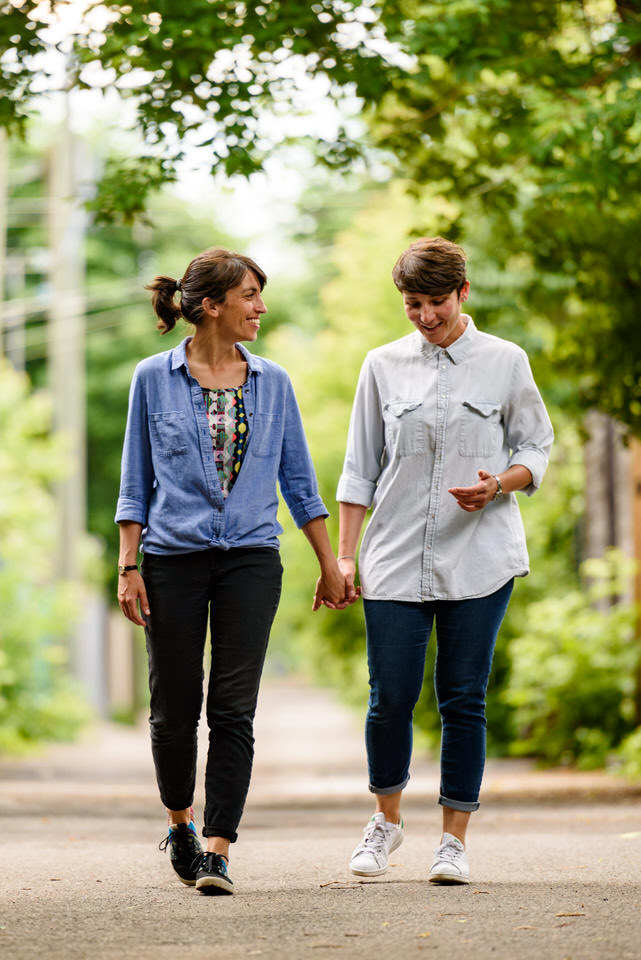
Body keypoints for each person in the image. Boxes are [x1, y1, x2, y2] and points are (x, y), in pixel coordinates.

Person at [116, 247, 351, 895]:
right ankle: (181, 825)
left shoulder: (271, 382)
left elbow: (299, 481)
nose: (261, 307)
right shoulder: (152, 379)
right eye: (250, 294)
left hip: (250, 556)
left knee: (233, 708)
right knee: (172, 706)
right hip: (171, 558)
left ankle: (218, 849)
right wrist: (127, 564)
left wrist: (329, 563)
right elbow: (134, 481)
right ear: (211, 305)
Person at [335, 237, 553, 884]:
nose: (424, 316)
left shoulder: (505, 361)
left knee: (463, 698)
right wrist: (343, 560)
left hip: (479, 555)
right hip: (394, 556)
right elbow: (357, 471)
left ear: (462, 293)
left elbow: (536, 445)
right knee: (389, 696)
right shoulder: (379, 365)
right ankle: (385, 821)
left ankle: (452, 840)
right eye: (411, 304)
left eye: (434, 302)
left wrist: (499, 485)